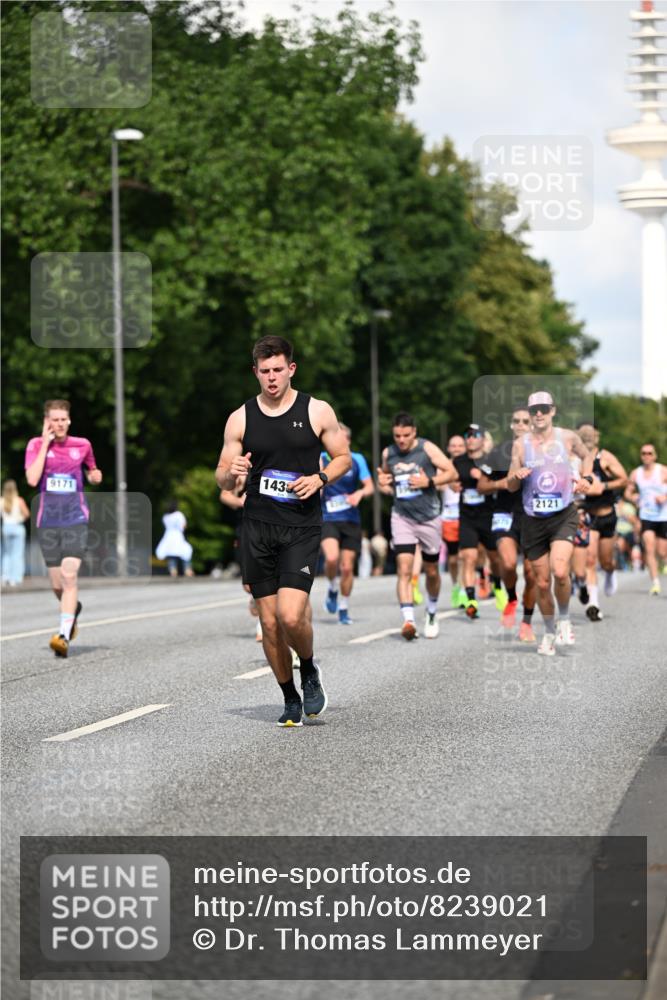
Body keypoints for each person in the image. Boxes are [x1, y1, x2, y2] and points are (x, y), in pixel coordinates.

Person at [215, 335, 351, 727]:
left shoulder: (317, 410)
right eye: (265, 371)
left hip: (301, 526)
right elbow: (222, 477)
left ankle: (308, 667)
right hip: (258, 527)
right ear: (255, 372)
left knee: (291, 617)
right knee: (270, 623)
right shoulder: (240, 418)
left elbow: (343, 458)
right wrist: (231, 473)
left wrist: (320, 477)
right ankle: (289, 696)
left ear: (291, 369)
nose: (272, 378)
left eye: (278, 369)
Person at [507, 391, 593, 656]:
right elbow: (510, 484)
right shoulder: (521, 445)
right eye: (534, 410)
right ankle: (548, 632)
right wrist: (517, 476)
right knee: (542, 583)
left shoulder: (567, 437)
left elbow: (587, 456)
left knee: (560, 570)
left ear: (552, 411)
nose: (539, 414)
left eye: (544, 409)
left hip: (563, 515)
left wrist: (587, 478)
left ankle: (564, 618)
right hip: (533, 520)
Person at [24, 399, 102, 657]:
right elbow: (32, 479)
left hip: (75, 519)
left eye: (62, 419)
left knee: (69, 577)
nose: (59, 424)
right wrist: (45, 444)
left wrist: (94, 476)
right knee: (58, 585)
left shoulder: (82, 445)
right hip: (48, 522)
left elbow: (92, 470)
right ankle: (73, 610)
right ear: (46, 421)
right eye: (54, 420)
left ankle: (63, 636)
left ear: (69, 420)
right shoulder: (35, 445)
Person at [377, 412, 456, 640]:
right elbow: (385, 480)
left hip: (429, 517)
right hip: (402, 516)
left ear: (414, 432)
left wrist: (428, 481)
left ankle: (431, 611)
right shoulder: (388, 453)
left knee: (431, 570)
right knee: (404, 568)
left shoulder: (427, 448)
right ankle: (409, 620)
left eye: (406, 435)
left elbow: (452, 473)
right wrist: (382, 483)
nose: (401, 440)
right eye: (397, 436)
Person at [476, 408, 537, 638]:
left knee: (531, 574)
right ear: (511, 424)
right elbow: (481, 486)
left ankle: (527, 622)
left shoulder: (544, 451)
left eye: (525, 421)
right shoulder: (499, 451)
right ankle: (511, 598)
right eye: (516, 421)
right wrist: (502, 483)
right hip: (505, 513)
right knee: (509, 564)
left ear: (533, 425)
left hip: (533, 516)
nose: (520, 425)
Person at [450, 425, 505, 620]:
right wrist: (452, 483)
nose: (471, 439)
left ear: (483, 439)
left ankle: (497, 586)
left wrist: (482, 479)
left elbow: (503, 483)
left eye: (476, 435)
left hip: (488, 516)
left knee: (495, 558)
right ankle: (471, 600)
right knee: (468, 557)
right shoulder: (459, 461)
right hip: (467, 517)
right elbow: (449, 476)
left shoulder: (491, 460)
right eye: (468, 435)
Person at [321, 424, 374, 624]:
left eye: (340, 438)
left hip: (351, 519)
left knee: (347, 568)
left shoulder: (357, 459)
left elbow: (370, 486)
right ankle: (333, 587)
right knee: (332, 558)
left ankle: (343, 607)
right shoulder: (322, 457)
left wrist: (359, 493)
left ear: (348, 440)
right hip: (328, 517)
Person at [576, 423, 628, 621]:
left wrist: (603, 486)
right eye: (583, 433)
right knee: (590, 559)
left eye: (590, 433)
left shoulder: (604, 457)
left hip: (607, 515)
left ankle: (610, 572)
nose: (587, 436)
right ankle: (594, 605)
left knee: (606, 561)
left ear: (596, 436)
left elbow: (623, 479)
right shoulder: (575, 460)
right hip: (588, 515)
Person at [629, 443, 667, 595]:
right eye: (644, 453)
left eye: (649, 453)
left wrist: (664, 497)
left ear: (655, 456)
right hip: (646, 516)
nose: (646, 456)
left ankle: (664, 562)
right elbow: (628, 492)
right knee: (649, 548)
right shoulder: (636, 473)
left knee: (662, 551)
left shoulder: (662, 470)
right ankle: (655, 583)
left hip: (663, 516)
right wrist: (633, 497)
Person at [441, 435, 465, 608]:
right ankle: (456, 585)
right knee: (453, 559)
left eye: (460, 445)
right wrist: (448, 483)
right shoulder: (443, 466)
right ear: (448, 448)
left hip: (466, 516)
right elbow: (434, 485)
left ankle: (464, 590)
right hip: (449, 517)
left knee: (465, 556)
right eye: (453, 445)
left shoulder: (470, 464)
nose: (456, 448)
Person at [1, 480, 30, 586]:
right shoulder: (19, 500)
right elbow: (27, 514)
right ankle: (15, 578)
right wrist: (20, 518)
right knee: (17, 554)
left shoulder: (1, 501)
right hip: (17, 527)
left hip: (6, 527)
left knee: (6, 553)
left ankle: (5, 576)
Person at [155, 501, 194, 577]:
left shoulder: (165, 516)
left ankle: (173, 570)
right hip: (177, 536)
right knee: (186, 552)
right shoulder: (178, 514)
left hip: (168, 536)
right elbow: (183, 526)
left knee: (171, 554)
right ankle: (187, 569)